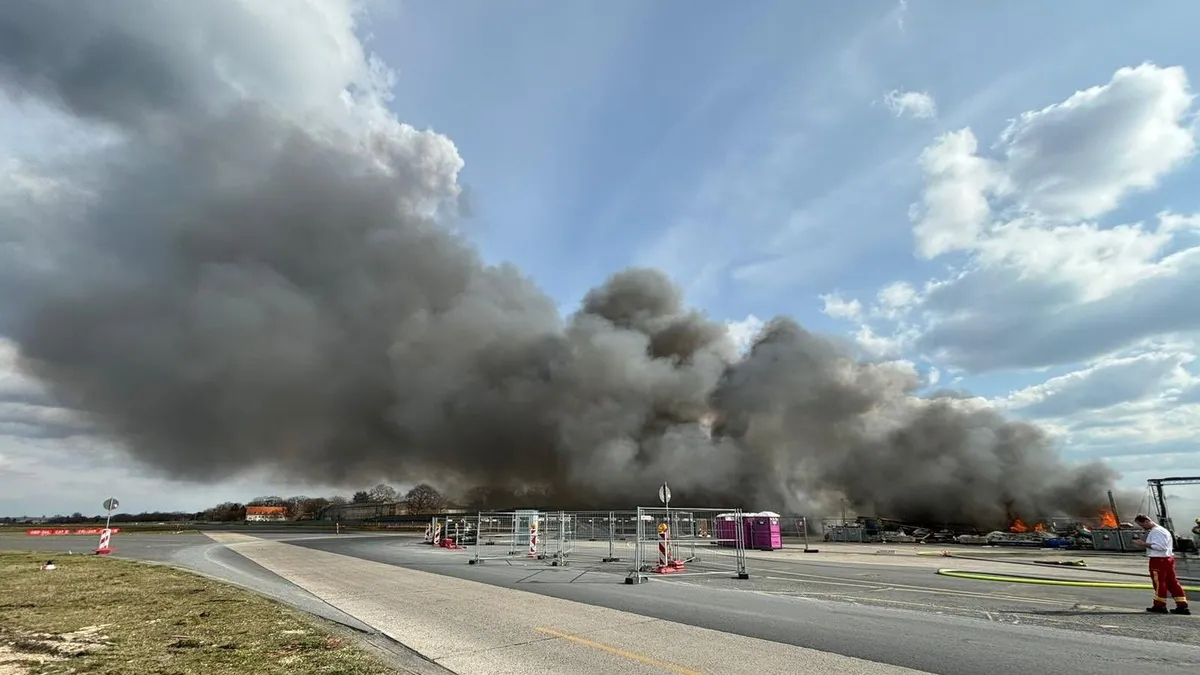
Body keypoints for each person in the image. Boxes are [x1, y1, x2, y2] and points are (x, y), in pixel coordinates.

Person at [1132, 514, 1190, 615]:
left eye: (1142, 525)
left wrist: (1143, 544)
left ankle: (1159, 605)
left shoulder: (1156, 532)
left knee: (1159, 582)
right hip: (1167, 559)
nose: (1143, 527)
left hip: (1159, 560)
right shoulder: (1162, 530)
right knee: (1172, 582)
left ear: (1147, 521)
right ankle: (1182, 605)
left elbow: (1160, 547)